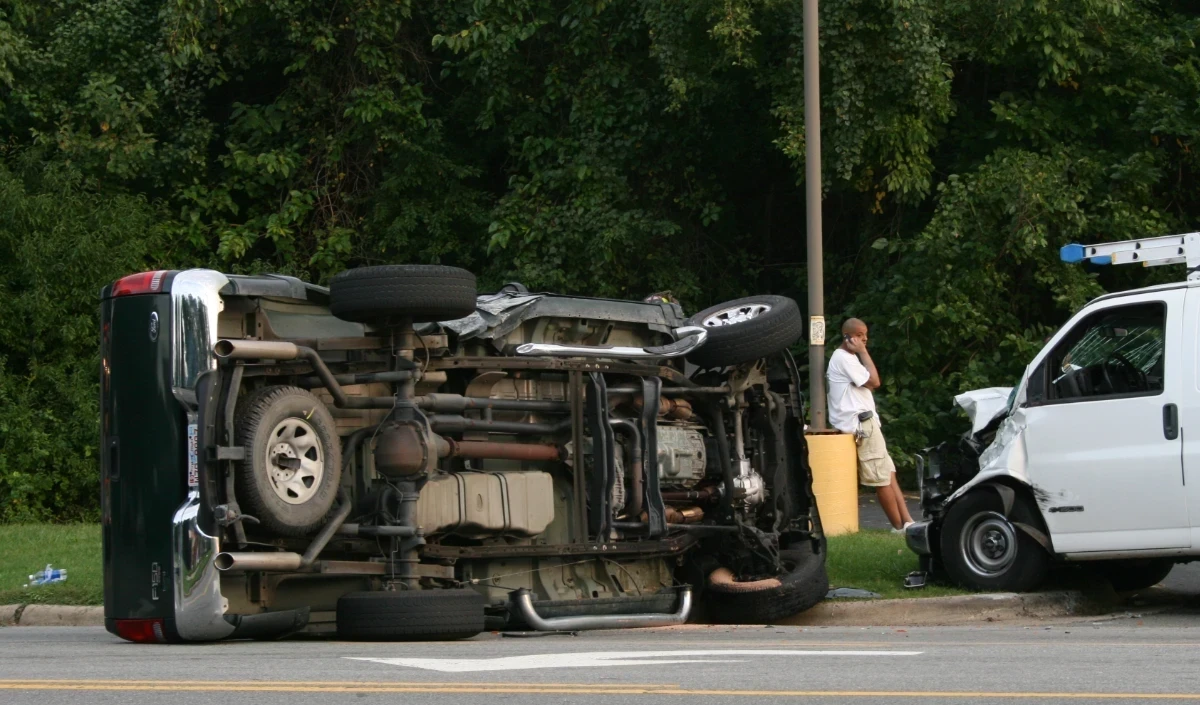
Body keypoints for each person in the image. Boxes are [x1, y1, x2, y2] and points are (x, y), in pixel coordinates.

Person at [827, 318, 914, 531]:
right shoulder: (844, 358)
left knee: (889, 474)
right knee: (881, 479)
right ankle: (898, 527)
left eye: (865, 334)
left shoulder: (849, 359)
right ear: (848, 337)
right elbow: (875, 382)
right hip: (862, 424)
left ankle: (909, 523)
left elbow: (869, 383)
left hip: (868, 422)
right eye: (860, 335)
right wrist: (864, 353)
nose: (865, 339)